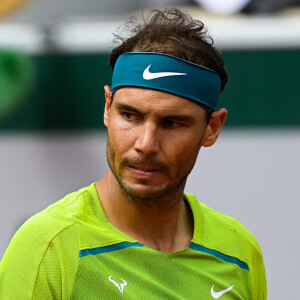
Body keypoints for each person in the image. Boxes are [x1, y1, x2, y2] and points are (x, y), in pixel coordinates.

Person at [0, 8, 267, 299]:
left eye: (172, 123)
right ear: (107, 108)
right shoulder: (47, 246)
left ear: (212, 128)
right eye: (130, 116)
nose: (146, 144)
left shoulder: (238, 251)